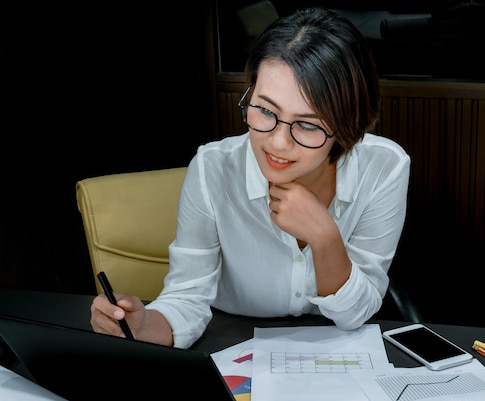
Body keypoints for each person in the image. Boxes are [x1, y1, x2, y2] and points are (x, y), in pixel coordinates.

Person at [90, 7, 411, 349]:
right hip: (231, 341)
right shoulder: (212, 167)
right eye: (265, 110)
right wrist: (142, 326)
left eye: (308, 124)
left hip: (339, 350)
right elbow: (186, 299)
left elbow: (356, 313)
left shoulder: (384, 167)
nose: (277, 142)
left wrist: (325, 238)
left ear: (350, 124)